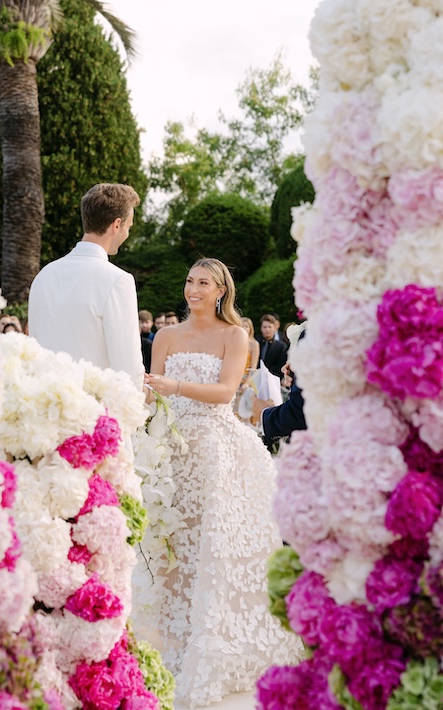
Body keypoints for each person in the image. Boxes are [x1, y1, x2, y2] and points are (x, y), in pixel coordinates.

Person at [141, 258, 304, 707]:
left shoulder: (237, 336)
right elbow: (153, 393)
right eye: (190, 281)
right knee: (175, 545)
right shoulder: (165, 336)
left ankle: (217, 643)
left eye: (203, 283)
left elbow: (225, 392)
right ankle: (174, 642)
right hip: (172, 448)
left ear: (220, 290)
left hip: (216, 448)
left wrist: (171, 385)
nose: (193, 289)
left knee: (215, 546)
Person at [28, 183, 145, 389]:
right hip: (97, 411)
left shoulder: (43, 276)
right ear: (116, 225)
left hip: (45, 407)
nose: (127, 233)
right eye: (129, 227)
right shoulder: (117, 280)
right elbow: (128, 370)